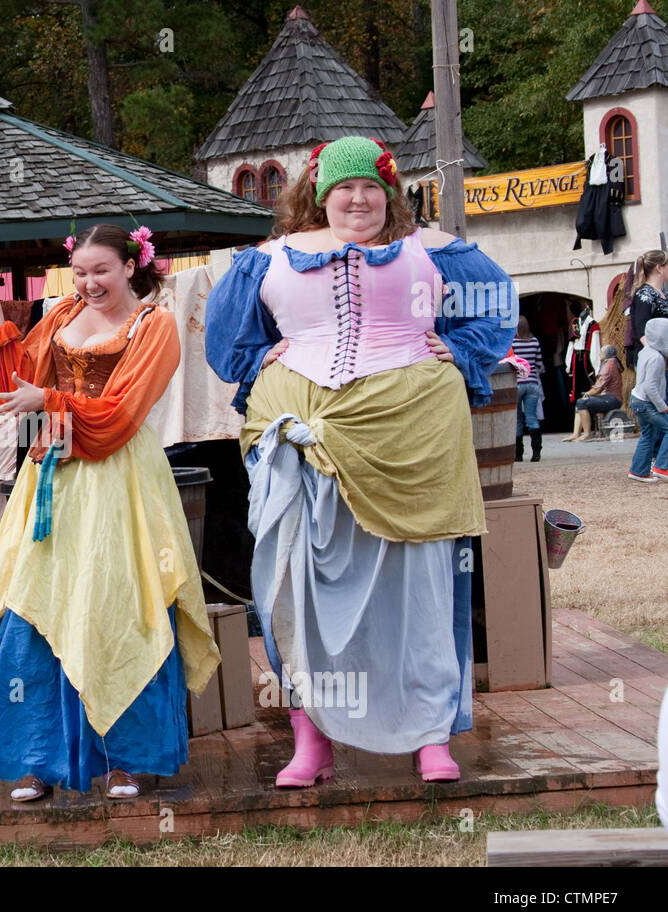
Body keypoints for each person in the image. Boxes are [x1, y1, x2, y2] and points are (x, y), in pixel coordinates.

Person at [205, 137, 516, 786]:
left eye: (372, 186)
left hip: (413, 435)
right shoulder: (269, 259)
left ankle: (430, 735)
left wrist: (457, 352)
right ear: (319, 192)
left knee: (418, 585)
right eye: (344, 187)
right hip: (302, 438)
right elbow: (229, 337)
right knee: (300, 589)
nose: (358, 198)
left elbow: (492, 305)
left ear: (390, 191)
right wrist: (256, 360)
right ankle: (310, 738)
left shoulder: (431, 250)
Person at [0, 227, 220, 802]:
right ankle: (36, 756)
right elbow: (13, 391)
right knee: (36, 605)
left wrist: (47, 402)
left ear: (130, 266)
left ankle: (125, 758)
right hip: (52, 479)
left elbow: (117, 417)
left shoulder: (156, 327)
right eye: (80, 272)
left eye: (101, 270)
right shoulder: (60, 314)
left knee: (122, 607)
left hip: (119, 481)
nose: (89, 283)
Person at [627, 317, 668, 482]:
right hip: (646, 403)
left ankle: (638, 470)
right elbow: (650, 386)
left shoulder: (645, 352)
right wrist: (662, 406)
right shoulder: (657, 358)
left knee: (647, 434)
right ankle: (662, 466)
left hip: (637, 400)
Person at [563, 345, 623, 441]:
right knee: (581, 402)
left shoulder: (609, 365)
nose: (600, 354)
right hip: (610, 397)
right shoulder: (612, 362)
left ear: (607, 354)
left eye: (602, 352)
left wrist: (588, 393)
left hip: (612, 399)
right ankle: (576, 433)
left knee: (582, 402)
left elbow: (598, 388)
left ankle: (587, 433)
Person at [624, 250, 668, 373]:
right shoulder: (644, 295)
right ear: (659, 268)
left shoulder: (663, 294)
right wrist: (657, 358)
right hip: (655, 362)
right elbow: (642, 331)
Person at [512, 317, 545, 462]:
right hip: (532, 383)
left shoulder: (512, 343)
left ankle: (518, 454)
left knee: (517, 420)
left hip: (517, 384)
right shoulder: (535, 341)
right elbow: (539, 364)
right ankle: (536, 453)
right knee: (532, 418)